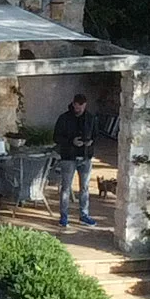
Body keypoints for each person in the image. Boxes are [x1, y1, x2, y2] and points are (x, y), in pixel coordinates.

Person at [51, 92, 101, 228]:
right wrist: (71, 141)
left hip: (85, 156)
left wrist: (90, 142)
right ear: (73, 104)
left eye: (82, 107)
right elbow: (56, 137)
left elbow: (96, 135)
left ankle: (84, 215)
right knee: (66, 187)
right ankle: (64, 216)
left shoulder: (90, 118)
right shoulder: (64, 118)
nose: (79, 109)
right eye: (77, 107)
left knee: (84, 187)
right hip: (69, 157)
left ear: (85, 105)